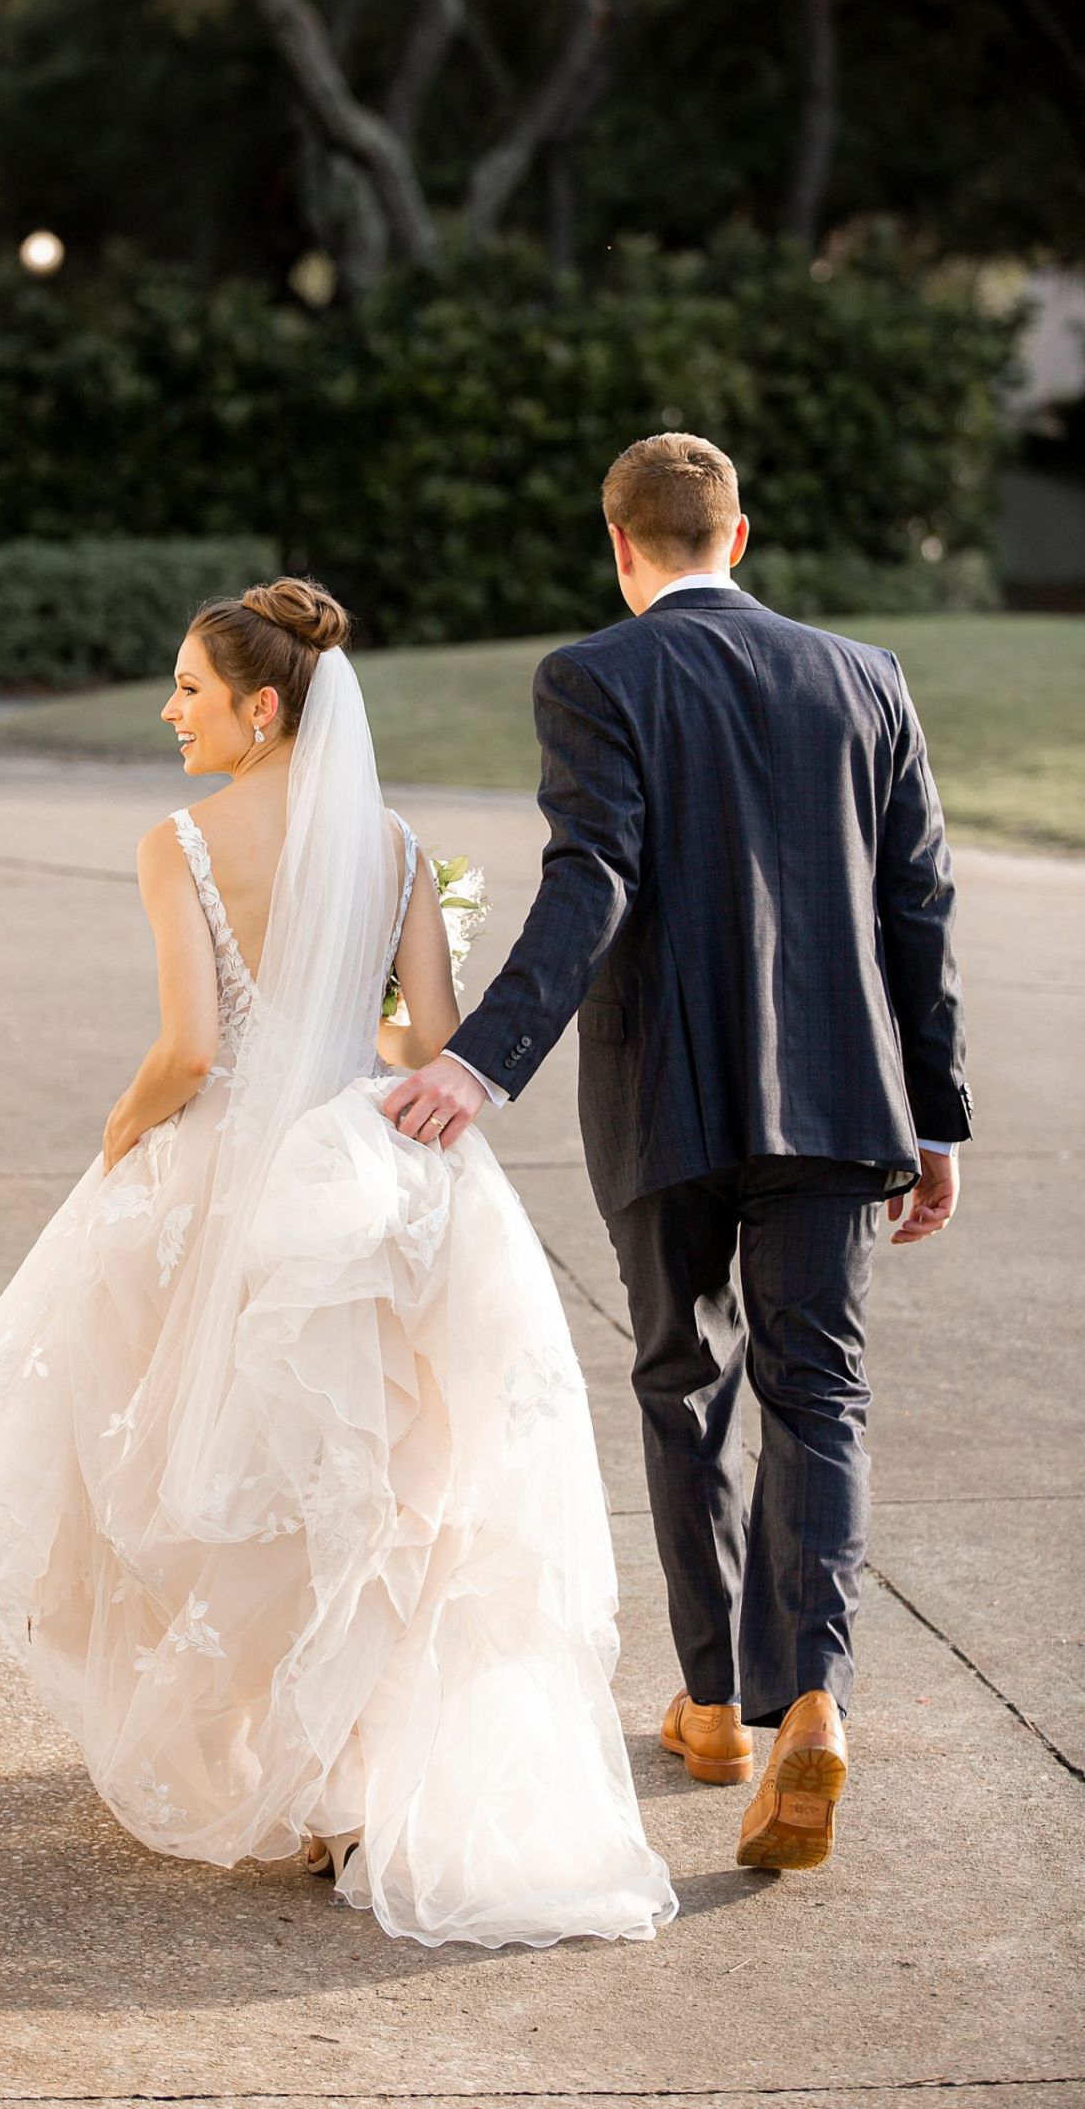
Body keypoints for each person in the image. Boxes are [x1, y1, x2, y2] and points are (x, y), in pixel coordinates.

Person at [0, 576, 676, 1950]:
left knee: (215, 1472)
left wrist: (118, 1132)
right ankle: (350, 1791)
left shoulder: (179, 845)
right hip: (359, 1176)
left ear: (261, 708)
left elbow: (191, 1051)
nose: (171, 712)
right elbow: (422, 1042)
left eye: (189, 690)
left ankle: (291, 1772)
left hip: (228, 1173)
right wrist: (381, 980)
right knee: (378, 1478)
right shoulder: (399, 850)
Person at [383, 433, 970, 1874]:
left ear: (620, 546)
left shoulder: (594, 675)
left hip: (667, 1097)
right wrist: (934, 1113)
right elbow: (918, 902)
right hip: (840, 1099)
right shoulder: (867, 677)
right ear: (738, 535)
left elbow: (593, 876)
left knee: (683, 1381)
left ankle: (712, 1709)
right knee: (819, 1393)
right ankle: (811, 1701)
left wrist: (479, 1059)